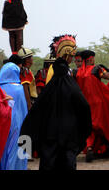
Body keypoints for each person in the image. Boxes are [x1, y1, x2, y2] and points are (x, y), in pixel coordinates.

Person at [20, 34, 92, 170]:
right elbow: (83, 106)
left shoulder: (50, 86)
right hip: (68, 137)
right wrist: (82, 129)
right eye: (72, 55)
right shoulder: (70, 84)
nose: (73, 58)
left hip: (49, 139)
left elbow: (37, 111)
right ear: (67, 55)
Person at [76, 50, 109, 162]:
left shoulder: (77, 72)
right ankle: (102, 149)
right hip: (97, 103)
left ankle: (90, 147)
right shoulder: (97, 69)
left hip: (83, 104)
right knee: (101, 126)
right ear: (90, 59)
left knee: (88, 126)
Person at [0, 62, 28, 170]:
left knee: (0, 150)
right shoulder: (20, 89)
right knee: (17, 153)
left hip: (1, 124)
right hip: (18, 124)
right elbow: (23, 108)